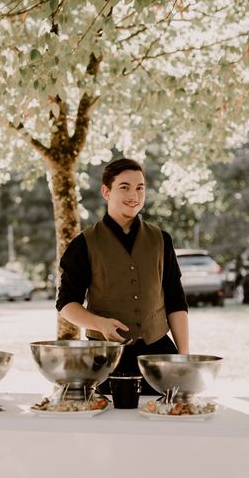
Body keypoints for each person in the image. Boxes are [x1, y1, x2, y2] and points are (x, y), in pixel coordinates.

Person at [56, 158, 189, 395]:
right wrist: (99, 324)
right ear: (106, 192)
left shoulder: (162, 240)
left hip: (158, 354)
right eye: (124, 187)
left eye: (140, 188)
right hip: (104, 359)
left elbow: (176, 301)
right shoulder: (84, 244)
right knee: (107, 427)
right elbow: (66, 304)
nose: (134, 196)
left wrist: (184, 357)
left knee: (166, 424)